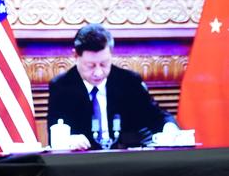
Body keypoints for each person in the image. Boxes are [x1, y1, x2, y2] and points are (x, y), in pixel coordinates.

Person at [47, 23, 178, 150]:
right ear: (75, 56)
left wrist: (169, 128)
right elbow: (55, 131)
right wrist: (69, 140)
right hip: (81, 164)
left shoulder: (129, 82)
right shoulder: (61, 87)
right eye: (90, 66)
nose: (98, 73)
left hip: (125, 161)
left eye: (104, 64)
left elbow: (157, 117)